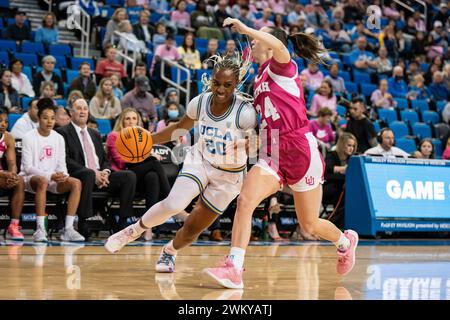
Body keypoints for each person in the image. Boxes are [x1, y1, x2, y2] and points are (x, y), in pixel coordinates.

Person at [202, 19, 359, 289]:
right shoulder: (259, 79)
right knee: (245, 200)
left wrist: (245, 27)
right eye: (253, 35)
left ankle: (345, 242)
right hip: (273, 151)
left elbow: (278, 43)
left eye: (259, 36)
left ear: (273, 44)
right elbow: (269, 124)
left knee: (309, 225)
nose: (253, 40)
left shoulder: (283, 66)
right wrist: (249, 143)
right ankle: (235, 267)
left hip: (300, 149)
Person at [104, 57, 258, 277]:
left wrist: (246, 144)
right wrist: (149, 139)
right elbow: (179, 128)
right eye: (216, 83)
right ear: (211, 80)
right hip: (201, 161)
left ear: (236, 85)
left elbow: (256, 144)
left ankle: (170, 250)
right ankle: (133, 231)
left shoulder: (245, 112)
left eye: (227, 85)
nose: (220, 89)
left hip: (229, 176)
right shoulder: (200, 102)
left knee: (193, 229)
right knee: (174, 203)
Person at [55, 99, 137, 239]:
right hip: (80, 175)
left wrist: (105, 172)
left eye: (85, 108)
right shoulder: (62, 133)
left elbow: (104, 160)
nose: (82, 111)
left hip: (100, 176)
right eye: (78, 108)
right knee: (87, 174)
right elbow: (65, 160)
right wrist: (94, 173)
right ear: (71, 112)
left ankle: (122, 223)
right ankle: (83, 221)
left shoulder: (95, 134)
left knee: (129, 176)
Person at [19, 98, 84, 242]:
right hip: (31, 179)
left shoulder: (59, 138)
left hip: (53, 179)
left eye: (52, 118)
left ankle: (68, 229)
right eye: (45, 118)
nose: (49, 121)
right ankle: (40, 229)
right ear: (39, 119)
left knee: (76, 183)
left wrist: (63, 175)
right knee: (42, 181)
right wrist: (50, 175)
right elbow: (28, 167)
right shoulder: (28, 137)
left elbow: (62, 164)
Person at [0, 107, 26, 241]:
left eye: (5, 121)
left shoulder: (9, 138)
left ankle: (14, 225)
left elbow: (12, 162)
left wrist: (12, 174)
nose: (3, 124)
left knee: (19, 181)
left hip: (1, 175)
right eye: (0, 121)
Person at [322, 132, 357, 228]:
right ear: (342, 145)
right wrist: (344, 169)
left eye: (353, 146)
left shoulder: (353, 159)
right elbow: (327, 172)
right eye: (349, 145)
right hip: (331, 188)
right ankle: (331, 224)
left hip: (346, 188)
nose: (351, 148)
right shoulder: (332, 155)